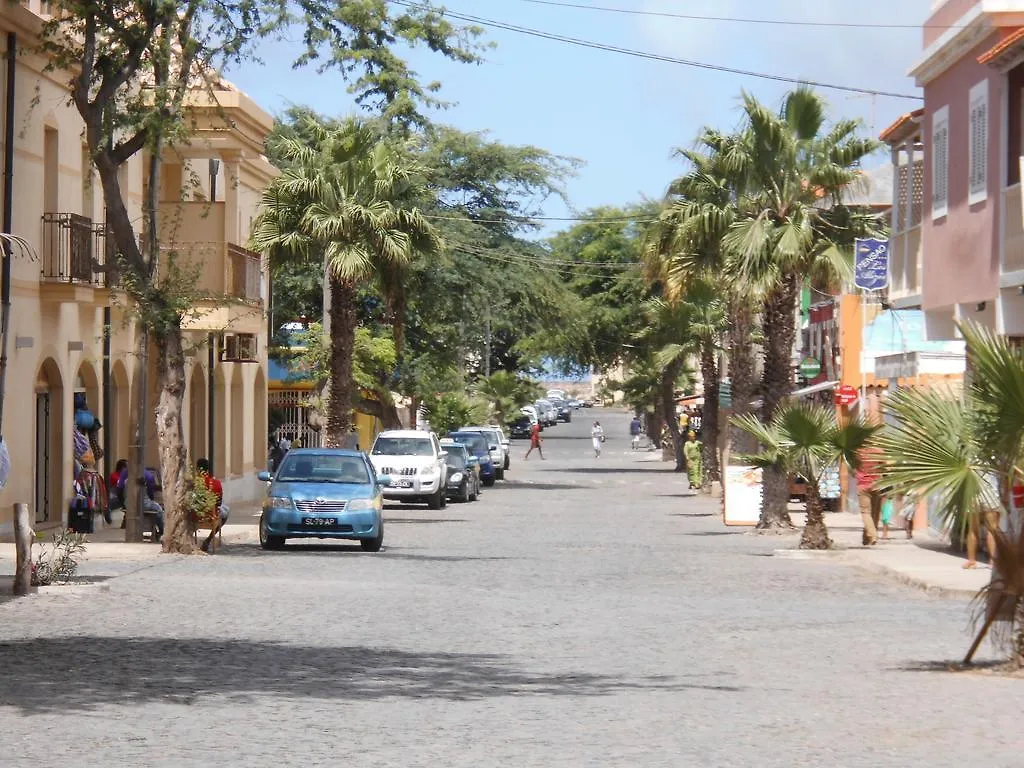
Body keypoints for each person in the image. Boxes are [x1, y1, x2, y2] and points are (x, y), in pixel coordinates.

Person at [196, 458, 227, 552]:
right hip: (211, 516)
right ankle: (209, 539)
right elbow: (219, 502)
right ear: (208, 469)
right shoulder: (216, 483)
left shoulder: (193, 483)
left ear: (197, 469)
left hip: (196, 516)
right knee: (226, 511)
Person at [856, 447, 883, 546]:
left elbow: (851, 467)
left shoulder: (858, 452)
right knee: (875, 513)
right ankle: (867, 538)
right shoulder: (879, 451)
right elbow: (886, 467)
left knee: (866, 513)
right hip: (876, 485)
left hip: (862, 485)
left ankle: (872, 535)